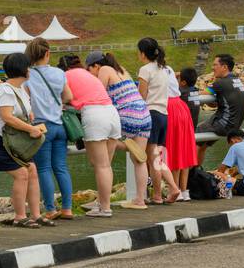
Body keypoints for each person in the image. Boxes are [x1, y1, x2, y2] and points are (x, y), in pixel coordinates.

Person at [0, 51, 46, 227]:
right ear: (22, 69)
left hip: (14, 140)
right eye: (28, 66)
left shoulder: (21, 89)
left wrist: (30, 116)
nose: (30, 70)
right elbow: (7, 116)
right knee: (22, 173)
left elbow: (20, 112)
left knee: (32, 170)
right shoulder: (6, 90)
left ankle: (36, 215)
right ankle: (19, 216)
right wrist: (31, 129)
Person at [61, 53, 119, 217]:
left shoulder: (65, 76)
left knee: (101, 166)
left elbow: (67, 97)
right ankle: (102, 204)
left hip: (95, 115)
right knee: (105, 164)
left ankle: (105, 207)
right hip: (112, 113)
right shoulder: (89, 74)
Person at [93, 50, 151, 209]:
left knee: (103, 156)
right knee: (139, 159)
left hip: (126, 115)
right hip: (144, 114)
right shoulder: (122, 69)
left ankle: (101, 201)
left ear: (96, 65)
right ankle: (140, 200)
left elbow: (99, 94)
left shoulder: (104, 70)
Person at [26, 38, 76, 220]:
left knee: (44, 168)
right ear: (47, 53)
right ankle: (68, 209)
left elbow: (26, 101)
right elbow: (68, 96)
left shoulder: (28, 75)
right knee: (61, 167)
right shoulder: (58, 73)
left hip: (41, 127)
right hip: (59, 126)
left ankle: (50, 209)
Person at [136, 36, 181, 204]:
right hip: (164, 114)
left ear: (142, 53)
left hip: (151, 114)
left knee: (153, 158)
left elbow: (142, 96)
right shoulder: (164, 69)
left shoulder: (145, 70)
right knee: (158, 157)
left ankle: (165, 190)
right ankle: (164, 191)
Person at [197, 54, 244, 165]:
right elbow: (221, 102)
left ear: (224, 67)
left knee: (196, 136)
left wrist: (187, 93)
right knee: (203, 144)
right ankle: (195, 170)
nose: (212, 67)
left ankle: (190, 173)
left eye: (215, 65)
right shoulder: (236, 80)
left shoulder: (220, 83)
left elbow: (200, 95)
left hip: (224, 125)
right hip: (236, 123)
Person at [165, 67, 199, 198]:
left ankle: (175, 189)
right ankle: (184, 191)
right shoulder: (168, 70)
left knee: (174, 151)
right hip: (182, 109)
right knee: (183, 152)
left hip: (170, 107)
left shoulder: (152, 71)